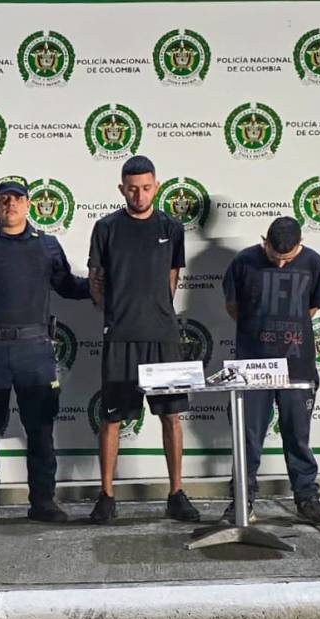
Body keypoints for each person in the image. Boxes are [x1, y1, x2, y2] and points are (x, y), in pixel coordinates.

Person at [0, 175, 91, 525]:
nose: (10, 204)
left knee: (40, 429)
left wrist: (103, 285)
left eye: (17, 198)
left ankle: (43, 501)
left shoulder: (47, 245)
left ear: (28, 204)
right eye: (4, 198)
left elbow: (67, 286)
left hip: (34, 349)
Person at [87, 155, 200, 524]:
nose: (139, 195)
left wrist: (157, 313)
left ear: (157, 187)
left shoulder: (172, 227)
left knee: (171, 417)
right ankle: (106, 496)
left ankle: (176, 494)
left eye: (146, 188)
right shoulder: (106, 227)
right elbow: (96, 281)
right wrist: (118, 315)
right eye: (133, 189)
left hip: (163, 338)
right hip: (121, 338)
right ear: (122, 189)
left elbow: (172, 278)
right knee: (112, 420)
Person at [222, 216, 320, 524]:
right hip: (251, 366)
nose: (282, 264)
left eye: (289, 258)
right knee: (247, 439)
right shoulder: (243, 261)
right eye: (275, 257)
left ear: (300, 245)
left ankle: (307, 499)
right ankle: (242, 501)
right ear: (265, 242)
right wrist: (259, 332)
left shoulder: (313, 262)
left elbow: (310, 308)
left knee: (298, 438)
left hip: (297, 367)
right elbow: (233, 306)